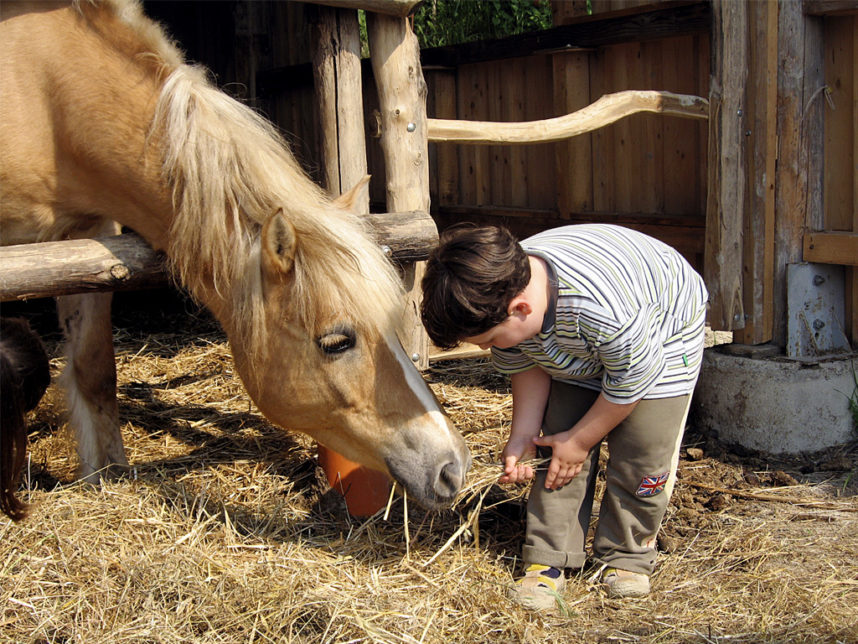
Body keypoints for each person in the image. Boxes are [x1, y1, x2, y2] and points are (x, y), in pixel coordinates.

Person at [421, 224, 708, 610]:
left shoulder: (604, 309)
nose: (489, 349)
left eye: (489, 342)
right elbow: (523, 360)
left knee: (643, 450)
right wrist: (523, 434)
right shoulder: (502, 296)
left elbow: (631, 379)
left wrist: (580, 441)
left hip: (661, 337)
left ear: (520, 309)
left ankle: (626, 556)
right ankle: (548, 557)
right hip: (575, 340)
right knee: (552, 443)